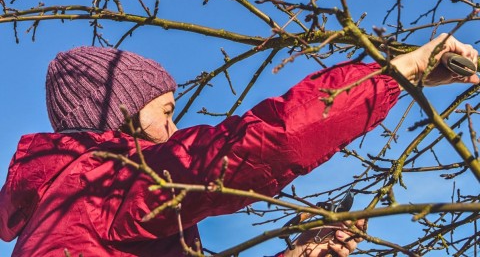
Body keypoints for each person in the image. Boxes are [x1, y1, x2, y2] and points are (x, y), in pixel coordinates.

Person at [0, 34, 477, 257]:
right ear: (118, 117)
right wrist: (394, 72)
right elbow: (271, 141)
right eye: (165, 113)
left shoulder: (79, 205)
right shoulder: (104, 180)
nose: (173, 131)